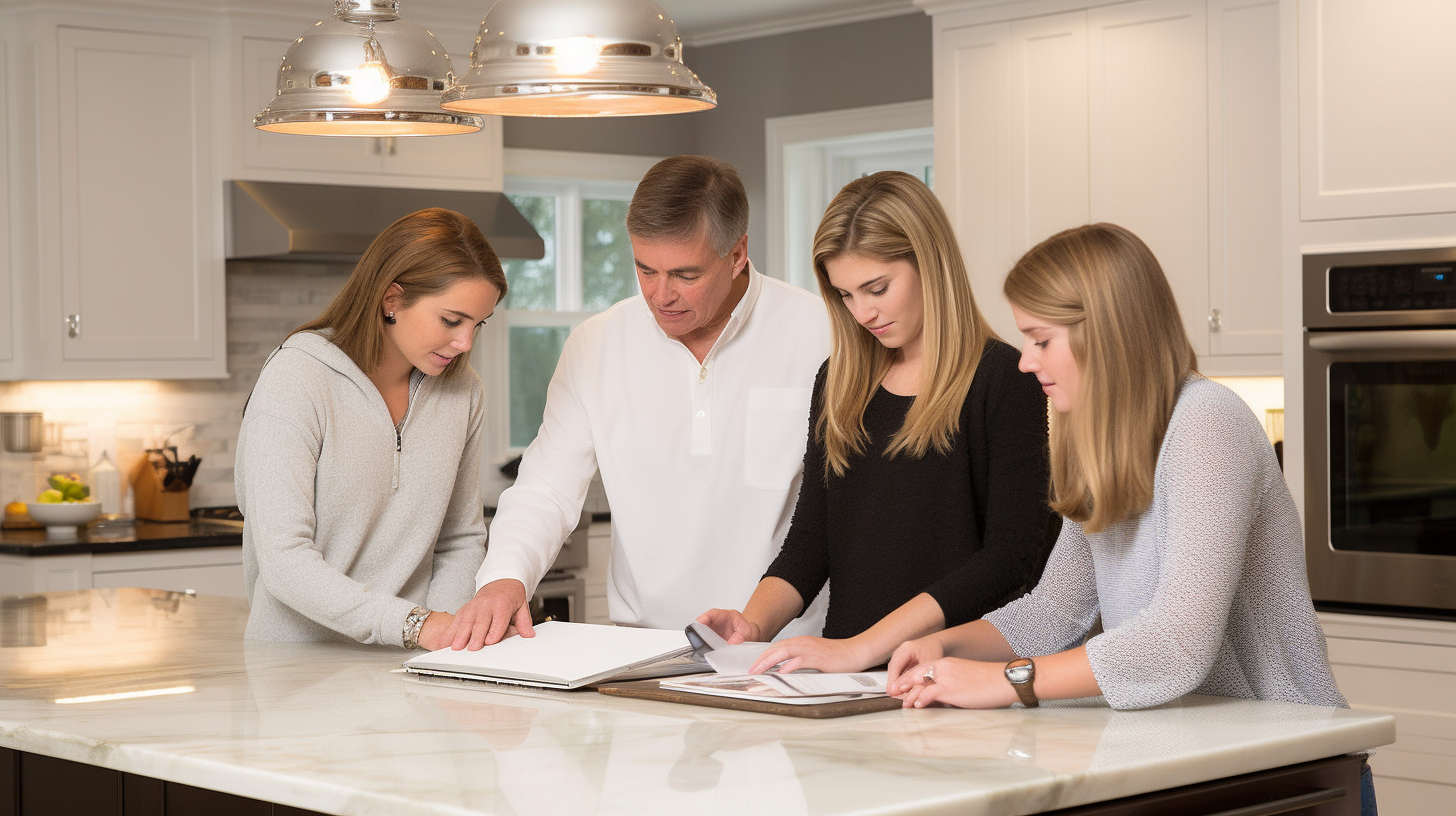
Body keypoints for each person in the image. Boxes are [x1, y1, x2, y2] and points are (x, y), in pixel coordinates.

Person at [885, 222, 1369, 811]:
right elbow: (1055, 610)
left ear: (1106, 334)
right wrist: (947, 647)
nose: (1024, 362)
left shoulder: (1206, 423)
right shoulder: (1098, 442)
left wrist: (1005, 681)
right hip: (1189, 751)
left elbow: (1175, 645)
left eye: (1042, 340)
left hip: (1290, 763)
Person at [445, 155, 833, 649]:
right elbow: (546, 489)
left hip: (789, 650)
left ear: (737, 255)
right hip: (642, 654)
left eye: (685, 274)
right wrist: (504, 576)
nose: (661, 295)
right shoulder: (596, 344)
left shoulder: (822, 332)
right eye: (645, 269)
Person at [695, 171, 1059, 674]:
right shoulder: (839, 381)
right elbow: (809, 543)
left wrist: (865, 645)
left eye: (877, 288)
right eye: (845, 295)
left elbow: (1007, 561)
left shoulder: (1005, 381)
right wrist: (752, 625)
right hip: (846, 678)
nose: (862, 312)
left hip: (955, 678)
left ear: (929, 263)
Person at [236, 207, 505, 650]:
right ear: (392, 300)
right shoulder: (298, 378)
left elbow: (459, 539)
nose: (465, 343)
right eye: (452, 320)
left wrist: (449, 643)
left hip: (412, 671)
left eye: (478, 324)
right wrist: (417, 626)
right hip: (295, 677)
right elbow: (284, 561)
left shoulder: (463, 391)